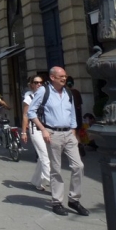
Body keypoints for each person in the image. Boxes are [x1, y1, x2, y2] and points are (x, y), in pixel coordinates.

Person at [28, 66, 89, 217]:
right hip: (52, 133)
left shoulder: (68, 92)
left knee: (78, 166)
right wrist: (43, 129)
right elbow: (31, 111)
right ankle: (57, 202)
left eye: (65, 76)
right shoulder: (44, 91)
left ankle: (74, 199)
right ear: (52, 78)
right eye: (61, 76)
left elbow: (72, 112)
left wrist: (73, 130)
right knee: (56, 168)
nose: (64, 78)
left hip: (68, 133)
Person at [21, 75, 50, 191]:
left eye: (41, 82)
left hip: (47, 128)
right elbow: (25, 115)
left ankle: (37, 181)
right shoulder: (28, 97)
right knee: (45, 156)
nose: (39, 84)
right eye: (36, 82)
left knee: (43, 157)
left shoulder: (46, 95)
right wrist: (23, 132)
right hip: (35, 130)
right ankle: (53, 182)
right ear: (31, 84)